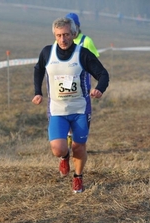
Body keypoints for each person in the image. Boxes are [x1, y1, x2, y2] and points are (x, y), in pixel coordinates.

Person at [32, 18, 109, 193]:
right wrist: (38, 92)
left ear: (74, 34)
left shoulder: (83, 54)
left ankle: (78, 178)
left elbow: (103, 74)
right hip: (57, 109)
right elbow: (38, 70)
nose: (62, 39)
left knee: (78, 146)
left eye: (66, 34)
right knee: (58, 149)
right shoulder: (47, 52)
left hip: (80, 109)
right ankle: (64, 157)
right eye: (59, 35)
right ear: (54, 35)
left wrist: (99, 89)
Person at [65, 13, 99, 158]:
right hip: (65, 83)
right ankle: (67, 143)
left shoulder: (86, 41)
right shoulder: (62, 40)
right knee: (66, 112)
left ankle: (78, 143)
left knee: (79, 114)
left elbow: (95, 64)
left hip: (82, 86)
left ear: (77, 27)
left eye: (73, 26)